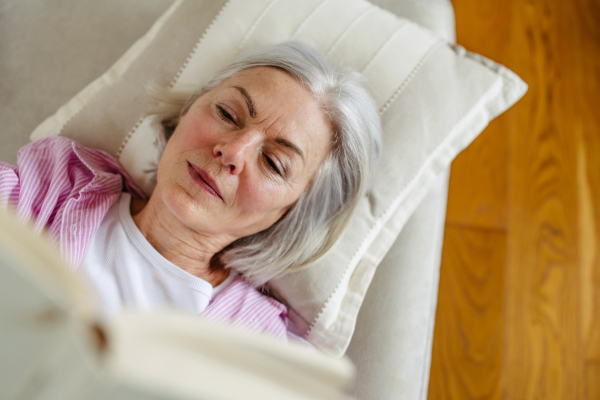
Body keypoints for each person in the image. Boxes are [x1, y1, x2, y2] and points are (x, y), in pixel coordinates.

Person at [0, 41, 381, 342]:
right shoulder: (50, 189)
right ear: (187, 110)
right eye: (228, 115)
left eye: (274, 163)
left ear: (289, 213)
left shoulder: (255, 345)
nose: (232, 151)